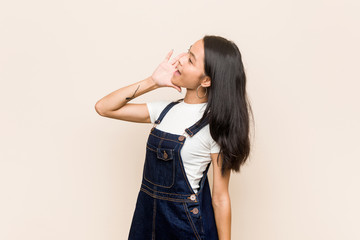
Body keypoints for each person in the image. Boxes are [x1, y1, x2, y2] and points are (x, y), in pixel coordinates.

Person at [95, 35, 254, 240]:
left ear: (206, 80)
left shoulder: (214, 128)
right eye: (187, 51)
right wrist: (152, 82)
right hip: (145, 220)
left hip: (184, 226)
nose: (180, 59)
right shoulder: (163, 112)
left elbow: (220, 197)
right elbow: (103, 107)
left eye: (190, 59)